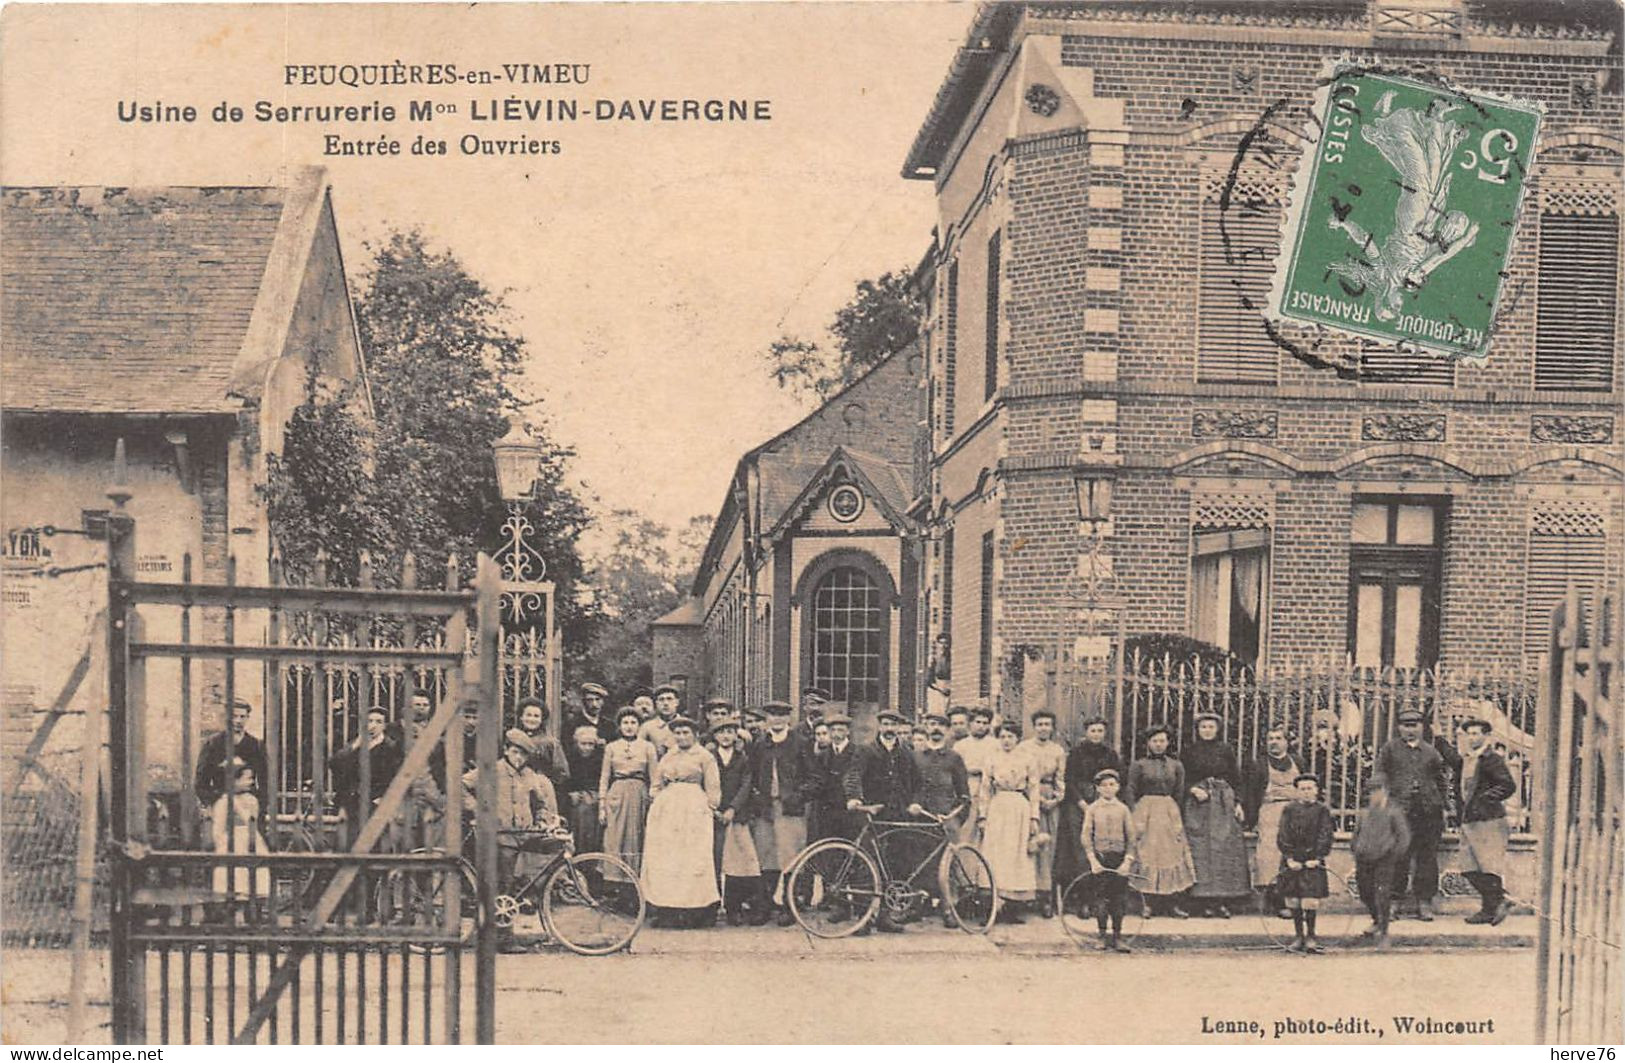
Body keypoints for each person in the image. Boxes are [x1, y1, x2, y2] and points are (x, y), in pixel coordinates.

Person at [1372, 708, 1453, 921]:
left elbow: (1441, 780)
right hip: (1400, 811)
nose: (1410, 730)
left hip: (1428, 812)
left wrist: (1445, 806)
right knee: (1398, 856)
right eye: (1406, 725)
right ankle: (1394, 902)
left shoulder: (1431, 752)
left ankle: (1424, 903)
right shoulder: (1389, 750)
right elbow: (1380, 775)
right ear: (1399, 727)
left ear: (1422, 727)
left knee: (1427, 858)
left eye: (1414, 725)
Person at [642, 716, 722, 928]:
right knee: (669, 860)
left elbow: (713, 789)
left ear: (695, 734)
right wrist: (657, 799)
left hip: (694, 810)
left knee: (693, 859)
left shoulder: (704, 756)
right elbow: (656, 782)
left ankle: (695, 911)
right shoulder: (669, 755)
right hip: (668, 811)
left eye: (686, 732)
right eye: (677, 733)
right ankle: (668, 910)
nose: (681, 736)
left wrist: (708, 809)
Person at [1180, 712, 1251, 917]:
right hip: (1198, 804)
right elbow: (1181, 778)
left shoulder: (1225, 750)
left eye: (1211, 727)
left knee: (1223, 851)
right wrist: (1192, 790)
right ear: (1198, 730)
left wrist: (1238, 803)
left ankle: (1221, 901)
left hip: (1222, 803)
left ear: (1217, 729)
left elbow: (1236, 779)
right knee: (1201, 850)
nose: (1207, 731)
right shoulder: (1189, 751)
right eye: (1203, 727)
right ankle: (1202, 902)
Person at [749, 700, 811, 926]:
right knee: (766, 856)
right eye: (772, 715)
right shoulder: (760, 745)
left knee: (791, 856)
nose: (776, 719)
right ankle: (765, 906)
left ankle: (789, 905)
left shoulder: (801, 743)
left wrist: (798, 796)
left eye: (781, 715)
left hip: (790, 809)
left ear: (788, 719)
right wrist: (757, 797)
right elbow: (753, 775)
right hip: (766, 808)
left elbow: (815, 777)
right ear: (767, 719)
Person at [1126, 725, 1195, 917]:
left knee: (1172, 854)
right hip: (1146, 811)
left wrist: (1175, 816)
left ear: (1168, 742)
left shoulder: (1176, 765)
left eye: (1162, 741)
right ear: (1148, 743)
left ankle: (1173, 904)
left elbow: (1179, 792)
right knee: (1147, 854)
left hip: (1168, 812)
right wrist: (1135, 815)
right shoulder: (1138, 765)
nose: (1158, 745)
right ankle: (1147, 904)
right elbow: (1130, 790)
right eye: (1154, 741)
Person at [1457, 717, 1516, 925]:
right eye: (1469, 733)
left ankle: (1489, 909)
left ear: (1485, 736)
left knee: (1487, 866)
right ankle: (1499, 900)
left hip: (1488, 819)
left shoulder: (1491, 758)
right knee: (1468, 867)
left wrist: (1485, 799)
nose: (1472, 737)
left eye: (1476, 733)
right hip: (1470, 819)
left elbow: (1508, 785)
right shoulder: (1468, 758)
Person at [1243, 725, 1307, 916]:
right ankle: (1275, 899)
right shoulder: (1260, 764)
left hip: (1296, 811)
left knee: (1295, 853)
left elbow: (1308, 785)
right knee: (1270, 853)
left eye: (1278, 738)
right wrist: (1251, 819)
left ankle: (1294, 899)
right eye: (1270, 738)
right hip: (1270, 812)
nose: (1274, 742)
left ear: (1287, 742)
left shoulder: (1298, 761)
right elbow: (1252, 794)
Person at [980, 720, 1040, 922]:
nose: (1006, 741)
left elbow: (1033, 789)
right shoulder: (992, 758)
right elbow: (985, 788)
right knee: (996, 854)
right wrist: (982, 815)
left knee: (1016, 855)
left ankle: (1011, 908)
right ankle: (993, 907)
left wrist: (1034, 817)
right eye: (1003, 737)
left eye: (1010, 737)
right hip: (998, 808)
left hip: (1019, 808)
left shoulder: (1028, 759)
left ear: (1017, 739)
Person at [1056, 717, 1124, 891]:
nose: (1096, 734)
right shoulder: (1076, 753)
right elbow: (1069, 780)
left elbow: (1116, 779)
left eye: (1100, 731)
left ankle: (1097, 894)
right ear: (1086, 732)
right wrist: (1082, 803)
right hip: (1078, 803)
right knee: (1080, 848)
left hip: (1102, 802)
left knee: (1100, 846)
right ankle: (1081, 896)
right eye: (1093, 731)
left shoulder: (1110, 754)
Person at [599, 707, 658, 894]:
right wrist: (602, 804)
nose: (629, 726)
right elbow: (604, 777)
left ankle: (636, 890)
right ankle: (617, 886)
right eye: (625, 723)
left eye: (633, 722)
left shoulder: (648, 747)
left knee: (637, 838)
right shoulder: (611, 747)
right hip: (617, 793)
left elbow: (655, 777)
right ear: (619, 726)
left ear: (639, 725)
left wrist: (653, 801)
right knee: (615, 838)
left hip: (640, 794)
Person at [710, 716, 762, 925]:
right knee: (713, 860)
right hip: (713, 815)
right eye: (721, 732)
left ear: (736, 735)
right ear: (715, 736)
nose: (725, 736)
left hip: (736, 816)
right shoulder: (708, 757)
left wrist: (733, 808)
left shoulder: (743, 759)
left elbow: (746, 786)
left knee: (737, 863)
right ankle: (711, 907)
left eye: (730, 732)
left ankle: (734, 908)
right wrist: (713, 809)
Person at [1276, 773, 1335, 953]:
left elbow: (1326, 835)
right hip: (1293, 860)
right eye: (1302, 789)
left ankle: (1311, 935)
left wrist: (1317, 858)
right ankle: (1298, 936)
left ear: (1317, 791)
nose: (1306, 792)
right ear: (1297, 792)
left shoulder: (1322, 810)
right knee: (1293, 900)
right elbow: (1283, 835)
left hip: (1312, 861)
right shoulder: (1289, 809)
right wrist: (1289, 858)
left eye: (1310, 789)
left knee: (1310, 901)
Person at [1018, 710, 1067, 917]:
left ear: (1052, 727)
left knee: (1048, 849)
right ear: (1034, 726)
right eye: (1039, 724)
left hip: (1050, 803)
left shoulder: (1058, 750)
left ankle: (1046, 897)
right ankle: (1026, 895)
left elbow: (1060, 778)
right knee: (1027, 846)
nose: (1043, 728)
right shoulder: (1023, 748)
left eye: (1047, 724)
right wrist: (1033, 800)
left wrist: (1055, 798)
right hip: (1027, 799)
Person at [1351, 778, 1410, 950]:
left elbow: (1403, 838)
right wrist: (1356, 849)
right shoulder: (1364, 813)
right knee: (1364, 891)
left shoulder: (1394, 812)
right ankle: (1376, 921)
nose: (1373, 795)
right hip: (1364, 859)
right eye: (1370, 792)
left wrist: (1392, 856)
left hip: (1385, 860)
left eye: (1377, 791)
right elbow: (1357, 834)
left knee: (1382, 894)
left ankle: (1384, 933)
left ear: (1385, 791)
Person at [1081, 768, 1135, 953]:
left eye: (1112, 784)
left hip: (1119, 860)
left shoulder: (1123, 809)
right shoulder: (1093, 809)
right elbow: (1086, 835)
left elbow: (1132, 837)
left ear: (1118, 787)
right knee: (1101, 900)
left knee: (1118, 899)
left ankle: (1118, 937)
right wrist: (1093, 860)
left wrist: (1127, 861)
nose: (1108, 788)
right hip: (1100, 860)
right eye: (1103, 785)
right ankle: (1102, 936)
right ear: (1097, 788)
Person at [332, 706, 404, 833]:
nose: (373, 725)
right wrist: (355, 746)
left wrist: (381, 799)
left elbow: (396, 776)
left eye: (378, 722)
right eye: (369, 721)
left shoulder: (392, 747)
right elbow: (335, 764)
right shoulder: (355, 744)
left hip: (375, 804)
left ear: (385, 726)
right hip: (350, 803)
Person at [210, 759, 270, 905]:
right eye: (247, 778)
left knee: (254, 880)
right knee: (234, 880)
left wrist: (237, 804)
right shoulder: (223, 802)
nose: (251, 782)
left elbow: (251, 821)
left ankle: (254, 912)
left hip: (250, 840)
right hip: (231, 842)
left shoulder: (251, 800)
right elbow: (218, 827)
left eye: (252, 778)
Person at [195, 697, 269, 812]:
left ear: (247, 718)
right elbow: (201, 780)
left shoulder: (255, 745)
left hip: (248, 801)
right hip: (221, 801)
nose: (238, 721)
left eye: (242, 717)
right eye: (234, 716)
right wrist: (210, 802)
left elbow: (265, 779)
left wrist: (261, 804)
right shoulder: (213, 744)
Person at [956, 707, 998, 843]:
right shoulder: (961, 745)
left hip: (990, 787)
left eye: (985, 723)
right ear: (970, 724)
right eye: (978, 722)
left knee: (989, 827)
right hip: (969, 785)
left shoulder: (995, 744)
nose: (981, 726)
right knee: (968, 828)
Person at [563, 724, 604, 855]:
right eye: (583, 743)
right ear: (576, 743)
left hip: (594, 802)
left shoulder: (600, 759)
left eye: (591, 744)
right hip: (576, 804)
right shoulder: (569, 759)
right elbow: (564, 782)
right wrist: (570, 794)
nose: (587, 747)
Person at [515, 697, 570, 794]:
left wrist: (545, 784)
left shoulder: (550, 743)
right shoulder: (514, 739)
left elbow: (562, 772)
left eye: (536, 716)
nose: (531, 719)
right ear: (521, 717)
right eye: (528, 715)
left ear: (542, 719)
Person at [639, 684, 685, 757]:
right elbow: (639, 751)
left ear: (677, 702)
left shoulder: (687, 725)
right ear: (656, 703)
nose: (665, 703)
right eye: (661, 699)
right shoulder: (647, 727)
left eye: (669, 699)